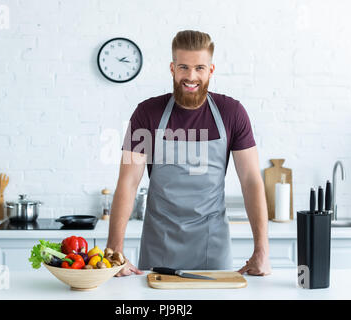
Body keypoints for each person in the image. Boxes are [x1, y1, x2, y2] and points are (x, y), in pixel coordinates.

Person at [107, 30, 271, 277]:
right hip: (158, 245)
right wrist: (114, 250)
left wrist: (262, 251)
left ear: (211, 70)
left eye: (199, 68)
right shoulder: (146, 114)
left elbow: (251, 182)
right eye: (183, 67)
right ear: (172, 68)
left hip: (213, 246)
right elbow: (128, 182)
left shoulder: (232, 113)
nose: (191, 76)